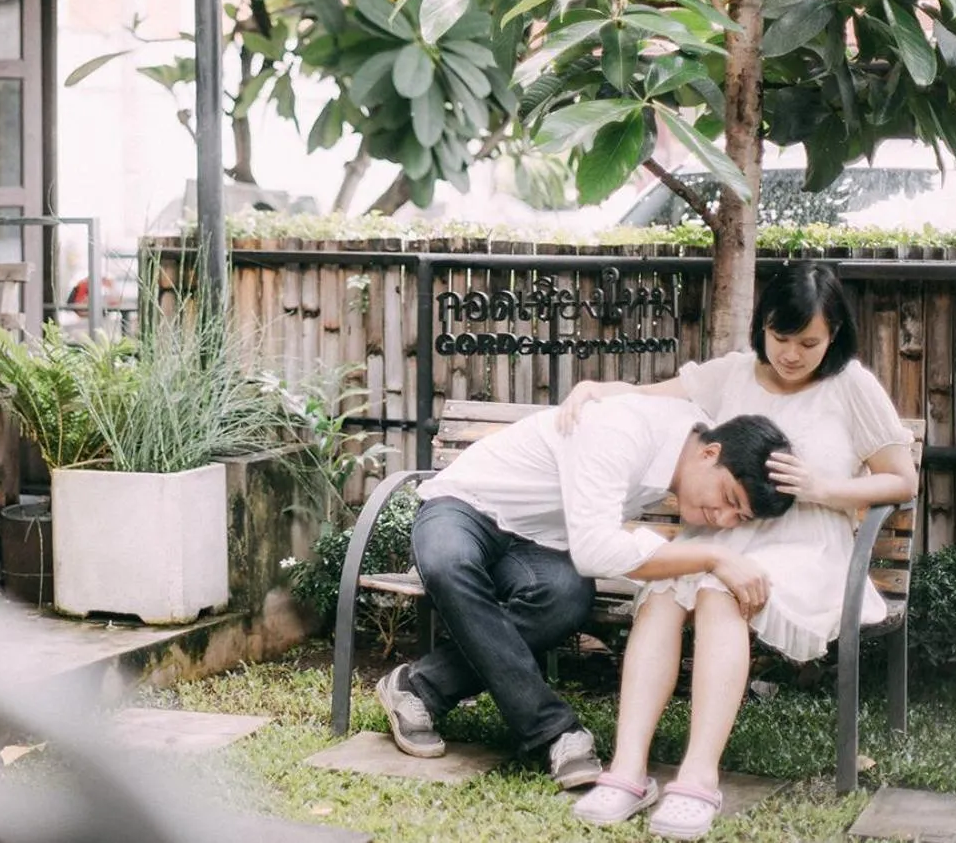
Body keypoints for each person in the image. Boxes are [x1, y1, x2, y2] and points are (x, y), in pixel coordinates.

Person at [565, 262, 918, 839]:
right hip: (724, 537)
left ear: (833, 336)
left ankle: (698, 778)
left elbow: (901, 480)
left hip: (809, 547)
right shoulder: (731, 375)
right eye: (781, 338)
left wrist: (823, 489)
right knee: (662, 590)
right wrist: (597, 389)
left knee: (716, 588)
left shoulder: (850, 386)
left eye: (809, 342)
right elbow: (650, 398)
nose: (792, 355)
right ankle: (627, 769)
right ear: (763, 327)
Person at [374, 394, 794, 793]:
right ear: (709, 452)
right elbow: (595, 550)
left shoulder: (684, 436)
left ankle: (419, 686)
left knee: (566, 598)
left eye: (737, 516)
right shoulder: (623, 432)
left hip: (537, 543)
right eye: (727, 498)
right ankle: (554, 732)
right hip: (465, 505)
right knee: (449, 563)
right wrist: (712, 558)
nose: (721, 518)